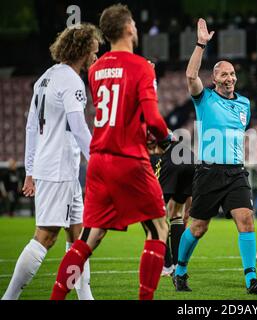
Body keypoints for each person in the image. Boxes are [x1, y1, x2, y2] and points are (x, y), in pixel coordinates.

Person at [50, 4, 172, 300]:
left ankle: (55, 298)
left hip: (99, 161)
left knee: (89, 237)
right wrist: (164, 138)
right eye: (134, 23)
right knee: (158, 229)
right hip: (128, 160)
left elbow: (118, 113)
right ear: (129, 27)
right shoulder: (141, 66)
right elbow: (153, 119)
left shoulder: (95, 69)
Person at [172, 18, 257, 295]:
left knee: (246, 220)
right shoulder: (203, 98)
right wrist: (201, 44)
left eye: (232, 74)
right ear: (214, 79)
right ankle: (179, 270)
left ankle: (251, 280)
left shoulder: (244, 103)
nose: (229, 78)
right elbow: (191, 76)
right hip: (208, 173)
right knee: (198, 227)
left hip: (236, 173)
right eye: (223, 75)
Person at [2, 23, 100, 300]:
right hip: (59, 169)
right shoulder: (71, 80)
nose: (96, 54)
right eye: (94, 48)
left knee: (78, 237)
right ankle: (9, 297)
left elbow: (31, 127)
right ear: (83, 48)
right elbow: (79, 127)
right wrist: (98, 160)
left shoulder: (45, 77)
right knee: (46, 236)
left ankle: (85, 296)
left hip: (57, 168)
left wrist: (30, 170)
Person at [148, 135, 195, 276]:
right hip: (190, 159)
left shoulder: (147, 129)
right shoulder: (165, 130)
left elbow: (154, 150)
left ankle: (166, 266)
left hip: (170, 161)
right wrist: (188, 209)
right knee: (176, 215)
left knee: (154, 218)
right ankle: (177, 265)